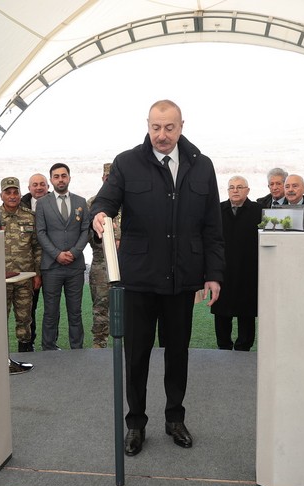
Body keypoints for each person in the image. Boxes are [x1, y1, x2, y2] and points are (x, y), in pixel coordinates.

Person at [91, 99, 225, 457]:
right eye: (155, 127)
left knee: (177, 353)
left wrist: (213, 274)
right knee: (136, 356)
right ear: (147, 125)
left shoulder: (202, 166)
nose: (162, 135)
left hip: (183, 280)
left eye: (169, 128)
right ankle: (135, 424)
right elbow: (104, 201)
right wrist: (100, 215)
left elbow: (213, 226)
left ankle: (174, 418)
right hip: (138, 279)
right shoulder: (127, 162)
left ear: (181, 126)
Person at [35, 163, 89, 350]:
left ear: (69, 178)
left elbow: (85, 231)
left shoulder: (81, 202)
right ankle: (49, 348)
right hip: (52, 266)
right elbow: (40, 232)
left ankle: (77, 348)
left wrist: (73, 253)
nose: (60, 179)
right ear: (51, 180)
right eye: (56, 176)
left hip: (75, 267)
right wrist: (57, 254)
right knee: (51, 311)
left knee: (75, 311)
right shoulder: (42, 203)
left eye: (63, 176)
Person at [0, 177, 40, 374]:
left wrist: (37, 274)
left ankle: (25, 354)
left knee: (24, 317)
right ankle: (0, 358)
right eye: (8, 192)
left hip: (24, 277)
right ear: (1, 195)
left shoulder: (30, 216)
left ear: (20, 194)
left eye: (15, 192)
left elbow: (37, 247)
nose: (12, 196)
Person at [213, 176, 262, 351]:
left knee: (246, 311)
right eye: (231, 187)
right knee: (221, 311)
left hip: (249, 270)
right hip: (222, 269)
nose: (235, 190)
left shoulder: (258, 210)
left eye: (239, 187)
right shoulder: (217, 209)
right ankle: (223, 345)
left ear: (247, 190)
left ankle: (244, 347)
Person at [87, 163, 121, 348]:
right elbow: (86, 233)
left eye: (112, 178)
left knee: (131, 306)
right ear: (102, 179)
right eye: (107, 178)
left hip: (128, 263)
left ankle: (129, 345)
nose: (109, 181)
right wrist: (102, 241)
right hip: (101, 263)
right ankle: (99, 344)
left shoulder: (129, 201)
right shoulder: (93, 203)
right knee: (100, 307)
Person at [21, 172, 50, 346]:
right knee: (29, 307)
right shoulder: (21, 206)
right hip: (30, 266)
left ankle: (50, 344)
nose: (38, 187)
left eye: (42, 184)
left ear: (48, 187)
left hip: (54, 263)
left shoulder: (56, 203)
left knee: (52, 307)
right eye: (35, 184)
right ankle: (29, 343)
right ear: (29, 188)